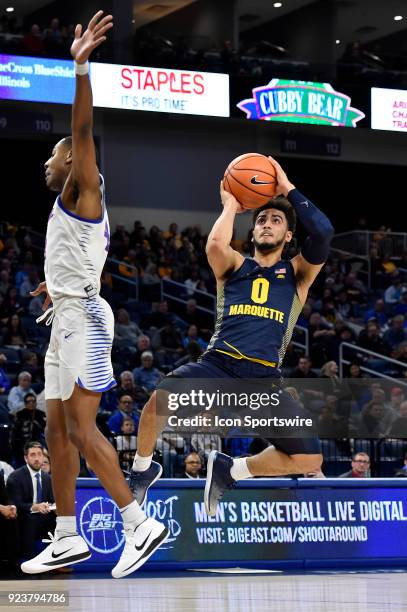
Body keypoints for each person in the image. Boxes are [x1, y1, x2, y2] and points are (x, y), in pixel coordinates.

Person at [23, 11, 167, 578]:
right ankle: (66, 533)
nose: (48, 160)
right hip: (66, 311)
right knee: (55, 428)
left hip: (84, 316)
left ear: (77, 167)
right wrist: (54, 286)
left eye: (53, 155)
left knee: (83, 428)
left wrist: (80, 68)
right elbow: (75, 261)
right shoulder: (73, 210)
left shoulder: (86, 190)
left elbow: (81, 132)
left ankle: (138, 523)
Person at [129, 156, 334, 516]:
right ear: (252, 232)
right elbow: (214, 247)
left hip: (265, 380)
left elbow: (323, 232)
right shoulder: (236, 266)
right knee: (158, 401)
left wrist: (286, 187)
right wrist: (229, 206)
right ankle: (143, 470)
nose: (266, 224)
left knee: (309, 457)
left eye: (275, 220)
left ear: (288, 235)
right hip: (219, 367)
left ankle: (232, 469)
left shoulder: (298, 273)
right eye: (261, 220)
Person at [6, 442, 56, 559]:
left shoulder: (47, 478)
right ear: (26, 458)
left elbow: (51, 500)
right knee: (31, 520)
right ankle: (29, 559)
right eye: (33, 455)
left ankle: (56, 559)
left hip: (44, 515)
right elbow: (14, 503)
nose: (37, 458)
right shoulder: (15, 477)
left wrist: (55, 508)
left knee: (60, 521)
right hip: (24, 515)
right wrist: (34, 507)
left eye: (39, 454)